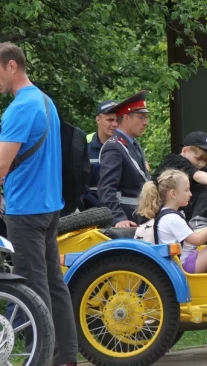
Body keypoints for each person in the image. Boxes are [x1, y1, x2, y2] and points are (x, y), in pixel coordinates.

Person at [0, 42, 78, 366]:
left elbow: (2, 164)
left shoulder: (19, 108)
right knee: (53, 283)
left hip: (26, 209)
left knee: (30, 286)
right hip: (49, 206)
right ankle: (66, 356)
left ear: (12, 66)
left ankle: (39, 356)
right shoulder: (46, 102)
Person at [137, 169, 207, 273]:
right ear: (173, 194)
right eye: (186, 190)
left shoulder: (167, 214)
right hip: (184, 266)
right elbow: (197, 240)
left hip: (186, 260)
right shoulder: (172, 219)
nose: (190, 194)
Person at [98, 90, 151, 228]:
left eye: (146, 118)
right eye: (141, 117)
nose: (146, 122)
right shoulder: (114, 147)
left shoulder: (131, 144)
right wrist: (118, 218)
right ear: (126, 118)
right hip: (126, 222)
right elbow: (106, 189)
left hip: (137, 217)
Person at [82, 99, 118, 209]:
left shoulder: (126, 146)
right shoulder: (84, 145)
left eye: (117, 120)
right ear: (98, 119)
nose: (115, 124)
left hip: (118, 211)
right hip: (89, 212)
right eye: (110, 120)